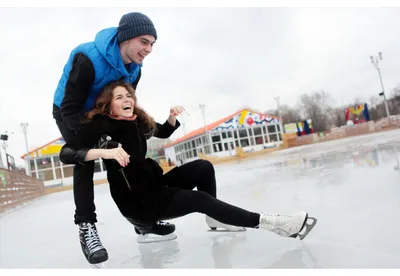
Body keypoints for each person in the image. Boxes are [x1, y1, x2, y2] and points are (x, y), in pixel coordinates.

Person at [59, 81, 318, 249]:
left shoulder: (137, 121)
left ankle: (216, 220)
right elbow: (67, 153)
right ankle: (277, 224)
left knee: (203, 167)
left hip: (154, 185)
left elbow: (161, 132)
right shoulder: (101, 126)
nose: (127, 99)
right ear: (108, 105)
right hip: (139, 204)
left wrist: (171, 119)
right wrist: (105, 153)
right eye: (119, 97)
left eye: (129, 95)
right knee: (198, 199)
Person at [51, 12, 174, 264]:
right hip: (70, 111)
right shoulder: (87, 59)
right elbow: (69, 109)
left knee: (124, 145)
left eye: (152, 44)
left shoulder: (134, 69)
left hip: (100, 112)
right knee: (85, 157)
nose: (149, 49)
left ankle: (141, 221)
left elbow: (127, 108)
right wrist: (91, 139)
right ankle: (87, 228)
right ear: (126, 38)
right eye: (144, 42)